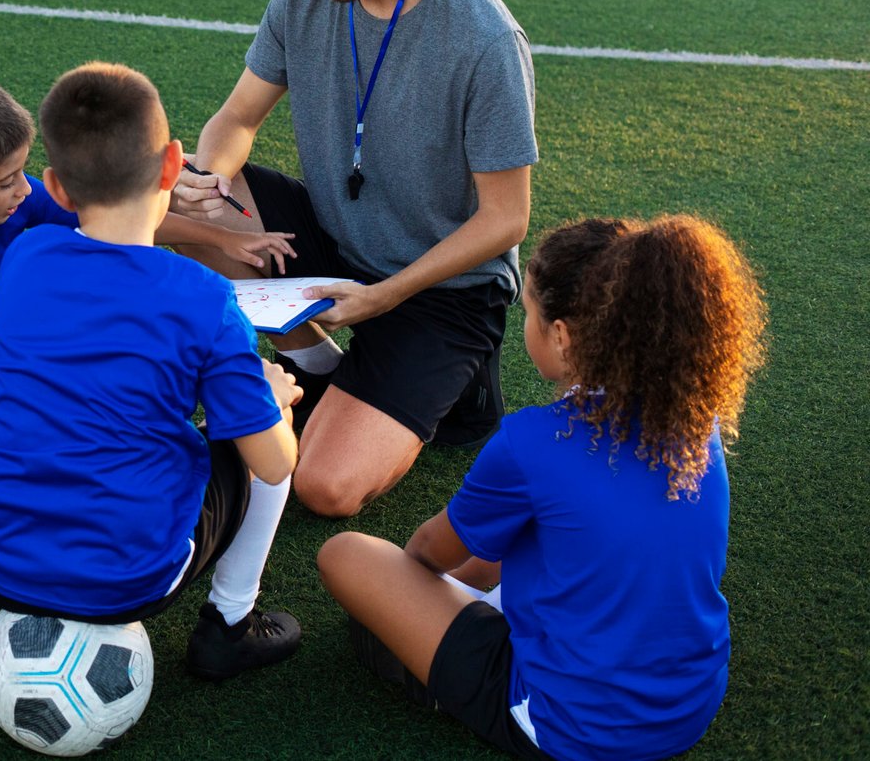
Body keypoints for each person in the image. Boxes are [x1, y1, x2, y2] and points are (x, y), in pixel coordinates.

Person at [172, 0, 538, 518]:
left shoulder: (483, 37)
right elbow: (238, 117)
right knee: (178, 205)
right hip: (338, 234)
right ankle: (321, 367)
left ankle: (461, 385)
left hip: (442, 285)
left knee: (324, 487)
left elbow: (506, 219)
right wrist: (205, 175)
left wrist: (384, 298)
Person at [318, 215, 767, 760]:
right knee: (531, 541)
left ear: (562, 335)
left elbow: (429, 555)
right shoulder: (698, 421)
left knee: (347, 557)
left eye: (527, 311)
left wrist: (412, 599)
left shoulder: (533, 442)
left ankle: (438, 680)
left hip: (572, 727)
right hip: (690, 706)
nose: (524, 324)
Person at [0, 62, 304, 680]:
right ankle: (230, 625)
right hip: (129, 578)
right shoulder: (202, 296)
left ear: (56, 188)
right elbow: (275, 464)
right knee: (265, 427)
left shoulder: (28, 254)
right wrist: (269, 400)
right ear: (173, 165)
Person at [0, 70, 296, 416]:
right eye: (6, 182)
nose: (24, 188)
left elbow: (120, 216)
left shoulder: (17, 200)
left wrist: (224, 238)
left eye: (21, 172)